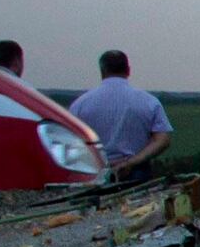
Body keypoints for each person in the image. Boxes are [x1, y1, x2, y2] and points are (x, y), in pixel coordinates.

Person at [70, 48, 174, 178]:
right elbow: (163, 140)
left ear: (102, 71)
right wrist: (131, 162)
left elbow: (71, 142)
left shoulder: (80, 104)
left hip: (94, 174)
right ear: (128, 70)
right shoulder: (149, 102)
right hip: (136, 173)